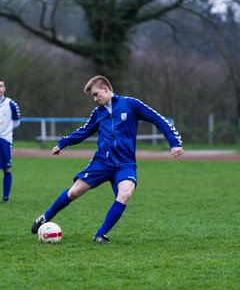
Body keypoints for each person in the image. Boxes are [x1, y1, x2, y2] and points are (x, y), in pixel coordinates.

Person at [31, 75, 183, 243]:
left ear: (106, 88)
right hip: (102, 162)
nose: (95, 99)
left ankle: (101, 234)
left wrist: (174, 142)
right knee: (74, 192)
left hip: (125, 164)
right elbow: (84, 131)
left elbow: (159, 119)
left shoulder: (130, 104)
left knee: (125, 194)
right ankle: (45, 217)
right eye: (93, 96)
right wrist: (63, 143)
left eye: (96, 94)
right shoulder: (98, 113)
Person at [0, 78, 21, 203]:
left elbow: (17, 122)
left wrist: (6, 129)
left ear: (4, 88)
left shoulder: (11, 104)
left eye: (1, 86)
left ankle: (6, 197)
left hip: (4, 140)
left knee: (6, 168)